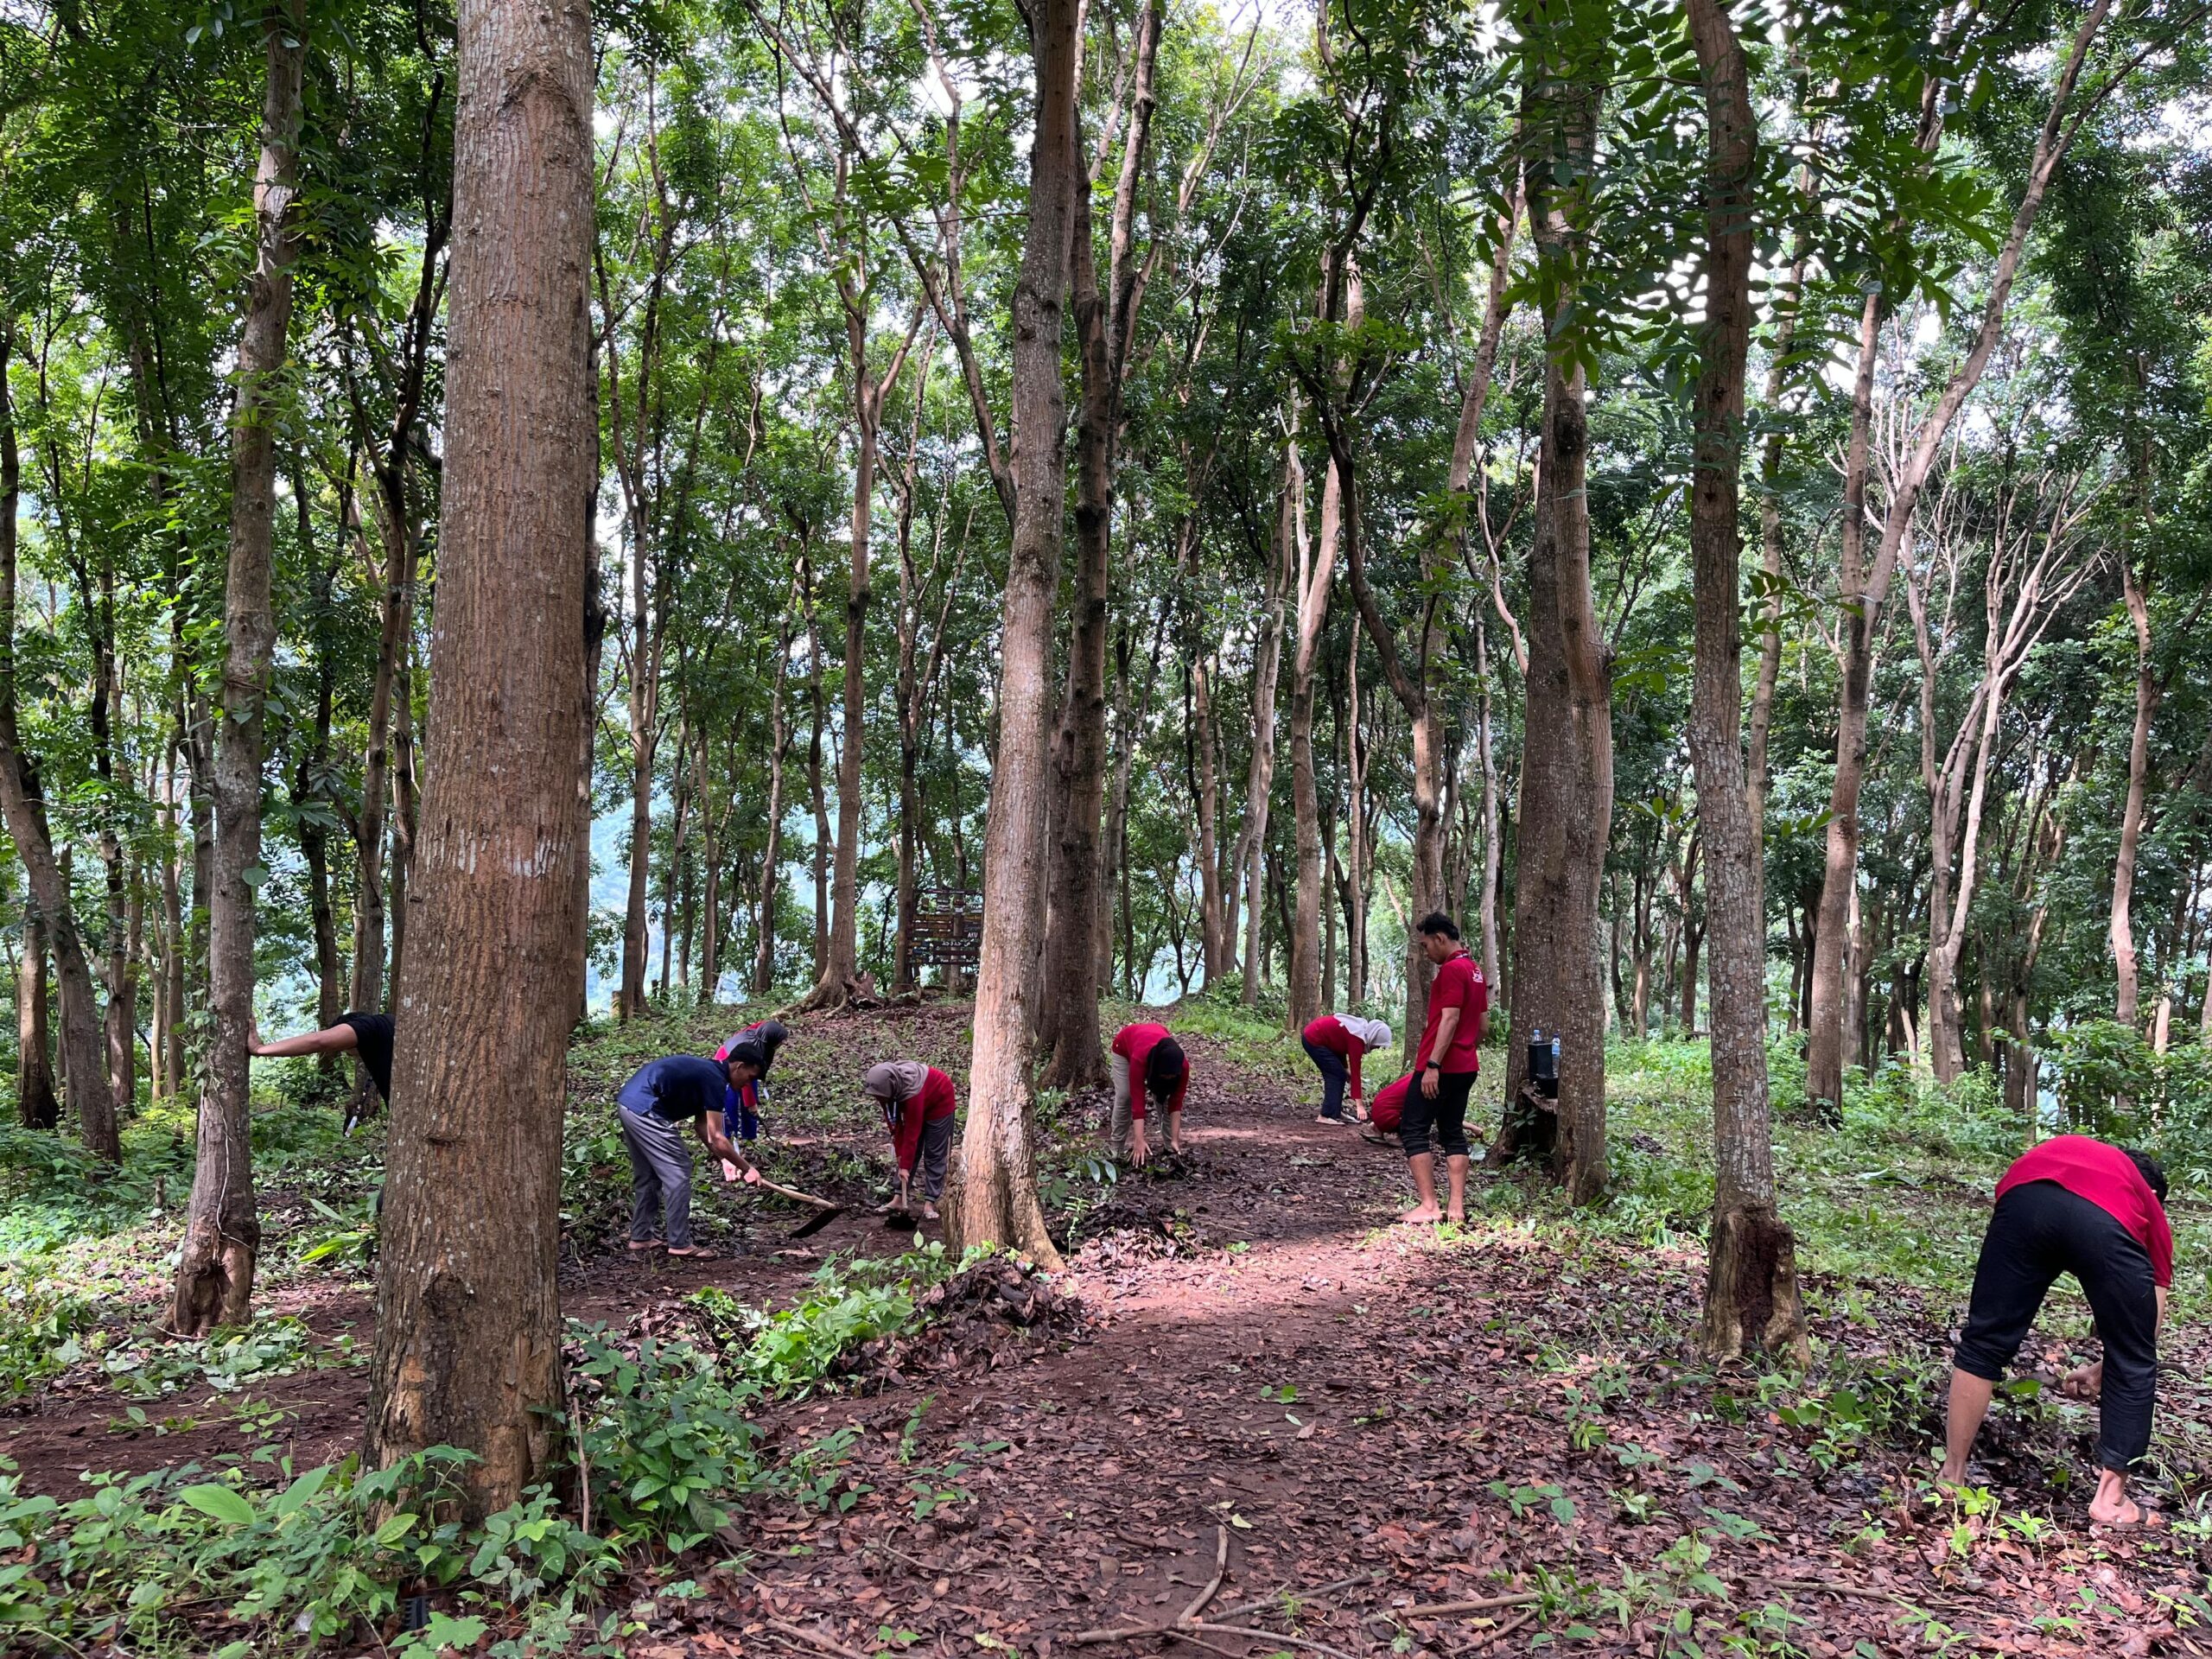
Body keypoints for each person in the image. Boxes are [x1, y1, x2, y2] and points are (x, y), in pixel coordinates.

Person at [1941, 1135, 2172, 1528]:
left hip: (2022, 1197)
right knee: (2134, 1361)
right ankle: (2111, 1501)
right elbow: (2144, 1331)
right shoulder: (2142, 1200)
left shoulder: (2069, 1151)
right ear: (2150, 1193)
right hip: (2097, 1221)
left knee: (1983, 1343)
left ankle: (1950, 1477)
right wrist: (2106, 1369)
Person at [615, 1053, 761, 1257]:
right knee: (678, 1171)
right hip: (646, 1108)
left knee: (649, 1175)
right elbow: (718, 1136)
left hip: (629, 1104)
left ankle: (641, 1237)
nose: (748, 1084)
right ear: (739, 1066)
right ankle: (679, 1243)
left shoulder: (711, 1075)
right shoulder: (715, 1080)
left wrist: (724, 1160)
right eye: (750, 1076)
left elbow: (703, 1126)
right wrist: (748, 1168)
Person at [1400, 912, 1487, 1224]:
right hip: (1466, 1065)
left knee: (1413, 1129)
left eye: (1426, 946)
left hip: (1441, 1066)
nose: (1426, 952)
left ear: (1440, 939)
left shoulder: (1451, 970)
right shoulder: (1475, 970)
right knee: (1452, 1131)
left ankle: (1428, 1205)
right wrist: (1465, 1047)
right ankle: (1456, 1207)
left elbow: (1449, 1018)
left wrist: (1434, 1065)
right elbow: (1482, 1025)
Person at [248, 1013, 395, 1123]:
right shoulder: (388, 1030)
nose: (349, 1055)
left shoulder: (372, 1026)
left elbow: (319, 1042)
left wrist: (260, 1049)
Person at [862, 1060, 960, 1220]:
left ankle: (930, 1203)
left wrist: (905, 1167)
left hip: (939, 1104)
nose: (877, 1099)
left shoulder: (913, 1092)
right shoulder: (886, 1092)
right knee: (907, 1157)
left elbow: (912, 1133)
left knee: (934, 1154)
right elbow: (895, 1126)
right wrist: (901, 1157)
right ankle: (898, 1199)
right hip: (917, 1104)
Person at [714, 1018, 788, 1181]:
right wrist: (751, 1104)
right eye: (780, 1042)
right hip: (728, 1066)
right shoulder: (751, 1047)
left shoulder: (761, 1037)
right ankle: (729, 1140)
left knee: (749, 1104)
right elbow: (745, 1082)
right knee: (732, 1104)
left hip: (743, 1068)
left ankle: (749, 1136)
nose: (780, 1045)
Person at [1109, 1021, 1188, 1166]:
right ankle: (1116, 1149)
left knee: (1164, 1097)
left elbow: (1176, 1103)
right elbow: (1137, 1101)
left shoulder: (1182, 1066)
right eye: (1165, 1076)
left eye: (1172, 1077)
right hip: (1124, 1048)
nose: (1169, 1079)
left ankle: (1170, 1148)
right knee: (1125, 1096)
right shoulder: (1139, 1059)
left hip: (1156, 1044)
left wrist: (1175, 1140)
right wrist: (1139, 1140)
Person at [1301, 1013, 1391, 1124]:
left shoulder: (1360, 1031)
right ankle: (1326, 1115)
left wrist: (1345, 1069)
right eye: (1376, 1046)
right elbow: (1356, 1071)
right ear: (1373, 1038)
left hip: (1324, 1041)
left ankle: (1335, 1111)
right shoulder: (1357, 1039)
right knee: (1335, 1075)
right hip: (1313, 1039)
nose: (1375, 1049)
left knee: (1340, 1074)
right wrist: (1359, 1105)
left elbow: (1339, 1046)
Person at [1362, 1072, 1411, 1142]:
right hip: (1387, 1117)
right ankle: (1405, 1138)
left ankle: (1377, 1128)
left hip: (1378, 1110)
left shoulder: (1413, 1075)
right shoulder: (1423, 1079)